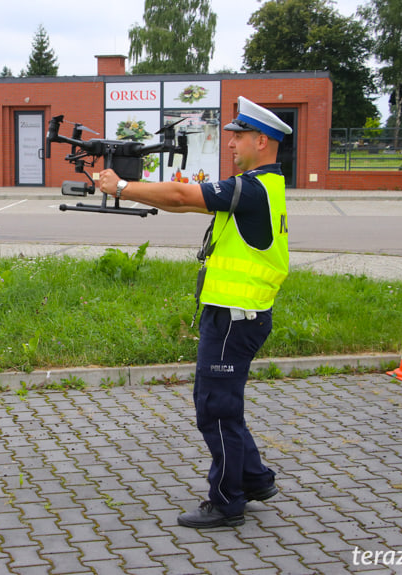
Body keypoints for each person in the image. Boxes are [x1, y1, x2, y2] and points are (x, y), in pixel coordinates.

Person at [99, 96, 292, 529]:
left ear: (262, 141)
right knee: (224, 403)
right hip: (239, 315)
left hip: (234, 317)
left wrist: (123, 188)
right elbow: (184, 202)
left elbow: (183, 192)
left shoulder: (252, 189)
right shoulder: (262, 187)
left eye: (238, 137)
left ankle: (227, 502)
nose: (231, 144)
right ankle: (255, 478)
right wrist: (129, 193)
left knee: (214, 408)